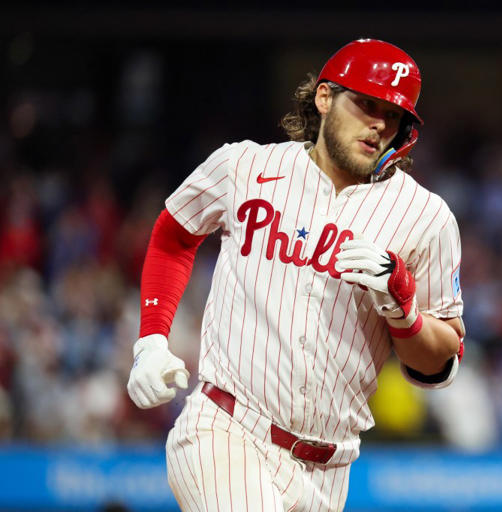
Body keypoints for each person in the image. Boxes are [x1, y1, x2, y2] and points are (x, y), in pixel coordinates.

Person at [127, 38, 465, 512]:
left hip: (329, 470)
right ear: (324, 98)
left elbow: (439, 363)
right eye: (367, 104)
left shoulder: (426, 217)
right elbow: (174, 235)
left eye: (394, 115)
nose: (379, 124)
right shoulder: (245, 165)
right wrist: (151, 341)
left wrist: (402, 310)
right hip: (227, 430)